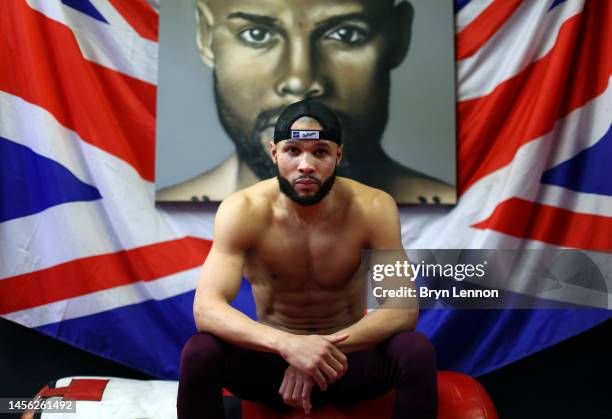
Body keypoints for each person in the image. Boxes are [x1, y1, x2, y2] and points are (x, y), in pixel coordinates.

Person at [177, 100, 438, 419]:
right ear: (274, 153)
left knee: (416, 351)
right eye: (293, 151)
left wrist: (320, 350)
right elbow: (207, 309)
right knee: (199, 351)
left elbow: (402, 309)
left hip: (346, 360)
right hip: (273, 364)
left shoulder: (373, 207)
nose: (305, 165)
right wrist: (289, 346)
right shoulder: (242, 210)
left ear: (338, 156)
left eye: (320, 152)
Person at [157, 0, 455, 204]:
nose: (300, 79)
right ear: (206, 36)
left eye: (346, 33)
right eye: (257, 34)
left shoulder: (459, 221)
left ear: (399, 35)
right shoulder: (218, 219)